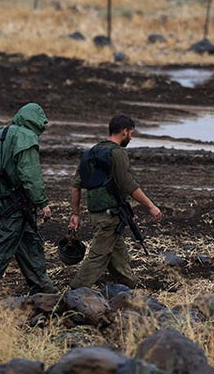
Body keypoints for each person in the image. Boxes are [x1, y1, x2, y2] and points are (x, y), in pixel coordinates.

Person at [67, 114, 162, 290]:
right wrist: (151, 206)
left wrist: (75, 213)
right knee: (98, 255)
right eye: (131, 133)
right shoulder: (117, 153)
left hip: (96, 214)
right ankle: (75, 289)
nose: (131, 137)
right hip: (110, 215)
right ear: (124, 131)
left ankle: (129, 285)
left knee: (117, 251)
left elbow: (75, 185)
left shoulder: (90, 152)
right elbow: (129, 185)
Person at [0, 102, 58, 294]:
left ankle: (42, 285)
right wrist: (42, 202)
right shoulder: (26, 137)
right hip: (18, 202)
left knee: (29, 241)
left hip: (4, 200)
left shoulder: (0, 136)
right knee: (3, 247)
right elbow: (30, 174)